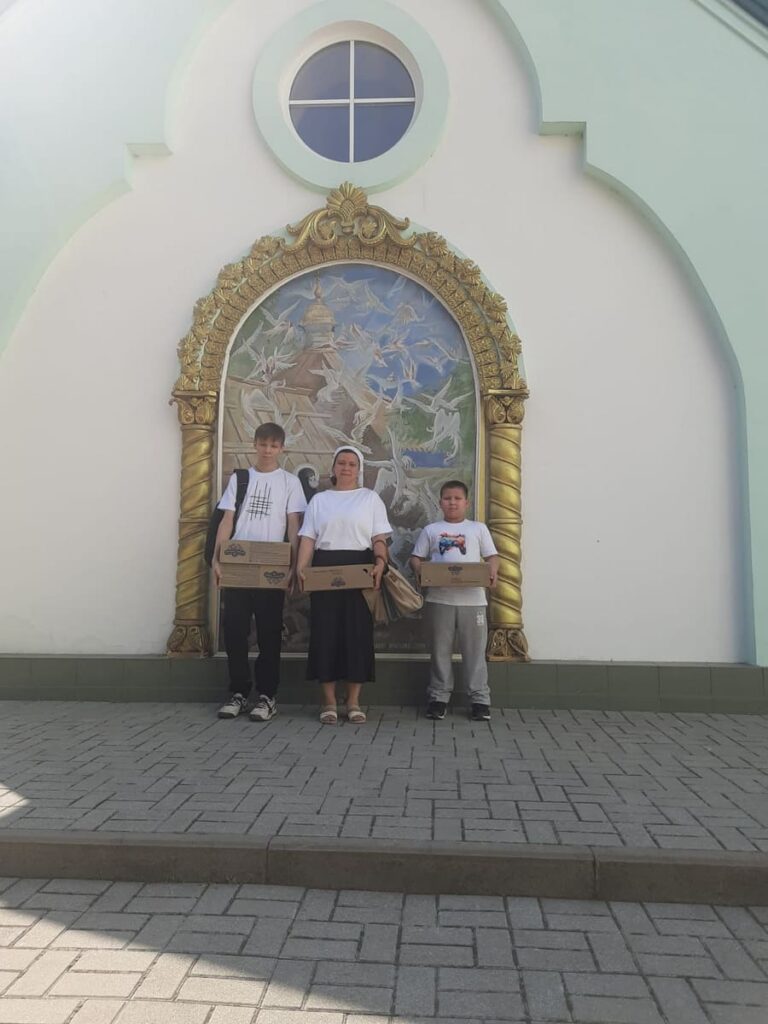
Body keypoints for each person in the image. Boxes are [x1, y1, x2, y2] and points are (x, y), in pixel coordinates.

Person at [213, 422, 306, 722]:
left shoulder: (290, 482)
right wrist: (217, 559)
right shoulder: (240, 479)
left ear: (281, 448)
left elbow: (293, 525)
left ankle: (267, 696)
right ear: (255, 444)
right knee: (235, 630)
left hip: (271, 567)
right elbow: (227, 520)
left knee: (269, 633)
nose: (267, 450)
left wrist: (293, 567)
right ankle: (238, 692)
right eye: (263, 444)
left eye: (273, 445)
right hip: (238, 564)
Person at [296, 446, 391, 724]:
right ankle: (328, 701)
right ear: (333, 467)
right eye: (341, 463)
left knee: (356, 634)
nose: (346, 468)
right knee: (325, 633)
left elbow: (379, 537)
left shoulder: (369, 498)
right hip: (325, 568)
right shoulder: (319, 500)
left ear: (358, 469)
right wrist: (301, 567)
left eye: (352, 464)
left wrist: (381, 562)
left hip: (360, 568)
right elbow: (308, 538)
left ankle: (353, 702)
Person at [410, 480, 499, 722]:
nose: (452, 502)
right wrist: (420, 570)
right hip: (440, 600)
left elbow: (492, 556)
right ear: (440, 503)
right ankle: (438, 698)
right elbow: (416, 557)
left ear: (466, 503)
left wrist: (493, 571)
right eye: (447, 498)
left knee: (475, 652)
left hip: (474, 601)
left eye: (457, 498)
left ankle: (480, 700)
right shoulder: (431, 530)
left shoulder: (478, 529)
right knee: (440, 651)